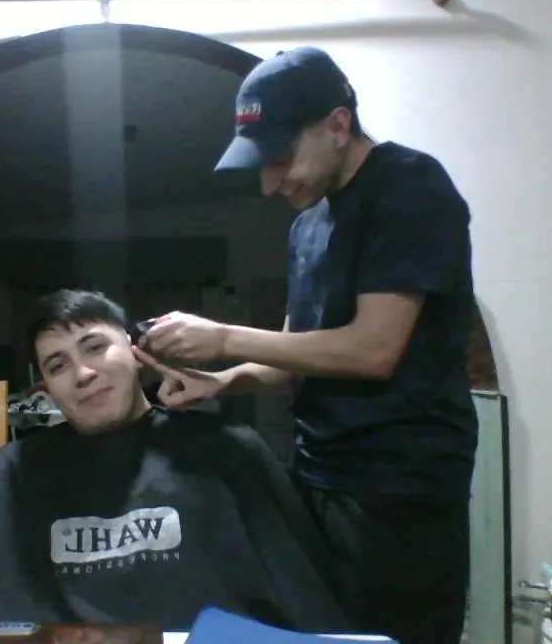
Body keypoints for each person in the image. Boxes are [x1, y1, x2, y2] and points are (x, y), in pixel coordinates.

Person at [135, 47, 479, 644]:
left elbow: (373, 350)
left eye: (281, 158)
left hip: (400, 488)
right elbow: (294, 353)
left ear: (338, 125)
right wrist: (223, 380)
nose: (271, 184)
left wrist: (221, 337)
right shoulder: (307, 226)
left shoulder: (409, 185)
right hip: (319, 475)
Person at [0, 289, 352, 633]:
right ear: (45, 388)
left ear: (135, 351)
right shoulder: (14, 471)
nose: (82, 373)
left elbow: (305, 604)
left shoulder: (226, 449)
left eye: (95, 347)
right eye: (58, 365)